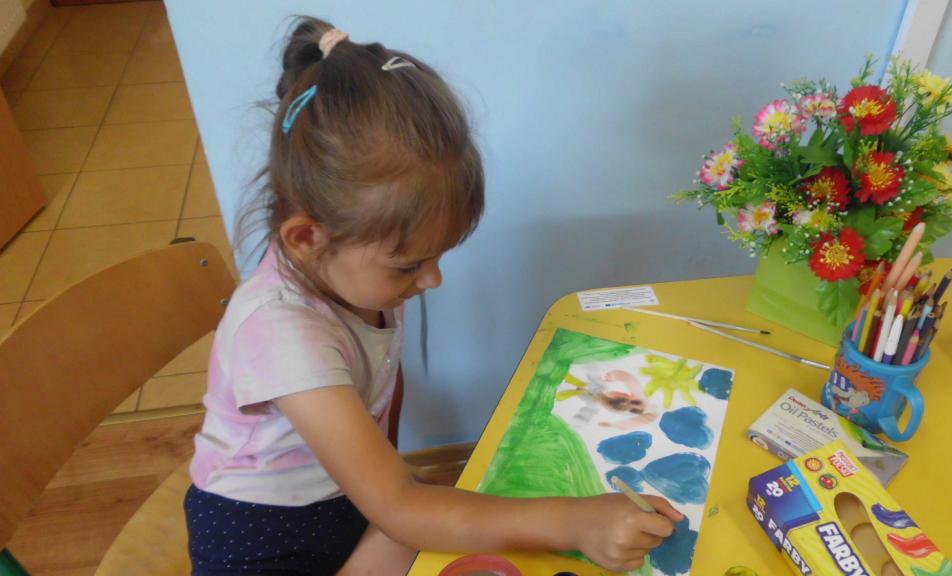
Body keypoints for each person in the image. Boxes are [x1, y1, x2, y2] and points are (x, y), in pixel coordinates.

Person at [184, 17, 682, 576]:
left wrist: (402, 493)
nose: (432, 280)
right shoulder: (280, 334)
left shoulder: (349, 271)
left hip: (344, 499)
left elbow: (390, 466)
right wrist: (576, 522)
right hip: (261, 539)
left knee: (463, 526)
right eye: (409, 264)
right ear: (306, 238)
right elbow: (400, 507)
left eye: (437, 256)